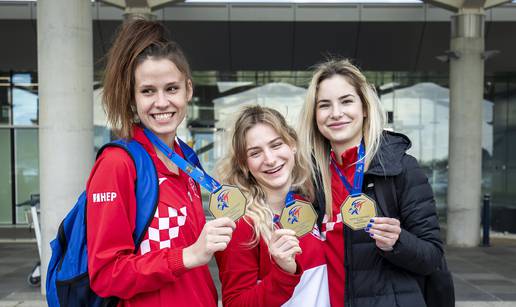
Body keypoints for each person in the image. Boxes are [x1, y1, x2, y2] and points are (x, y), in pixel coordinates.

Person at [86, 19, 235, 306]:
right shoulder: (118, 164)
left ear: (188, 90)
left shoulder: (187, 159)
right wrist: (187, 256)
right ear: (133, 97)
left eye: (171, 88)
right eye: (148, 91)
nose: (161, 102)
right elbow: (106, 274)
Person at [298, 59, 444, 306]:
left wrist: (398, 242)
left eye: (346, 101)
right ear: (314, 116)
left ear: (365, 107)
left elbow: (432, 256)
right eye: (324, 105)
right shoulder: (309, 178)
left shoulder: (400, 168)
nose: (336, 113)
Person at [215, 105, 330, 307]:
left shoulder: (311, 200)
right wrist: (283, 272)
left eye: (276, 145)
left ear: (292, 145)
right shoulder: (242, 224)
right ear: (244, 164)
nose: (270, 159)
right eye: (255, 153)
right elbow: (235, 303)